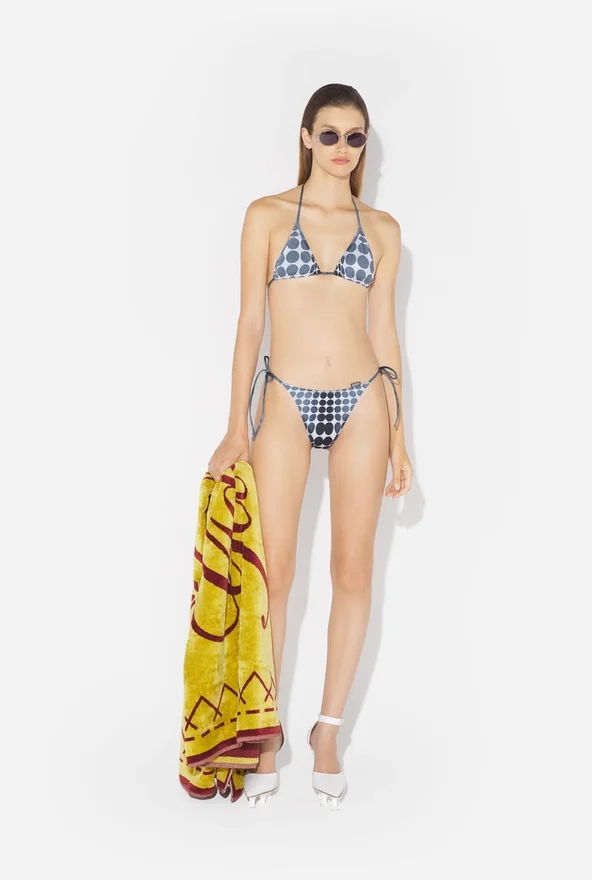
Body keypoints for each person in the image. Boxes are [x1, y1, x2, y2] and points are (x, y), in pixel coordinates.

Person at [207, 82, 413, 808]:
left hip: (363, 403)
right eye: (329, 134)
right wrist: (237, 426)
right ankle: (266, 733)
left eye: (355, 137)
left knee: (353, 569)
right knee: (276, 573)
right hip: (285, 400)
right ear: (305, 137)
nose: (342, 148)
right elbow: (249, 324)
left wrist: (401, 437)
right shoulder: (267, 215)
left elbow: (385, 333)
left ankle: (328, 730)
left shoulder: (381, 229)